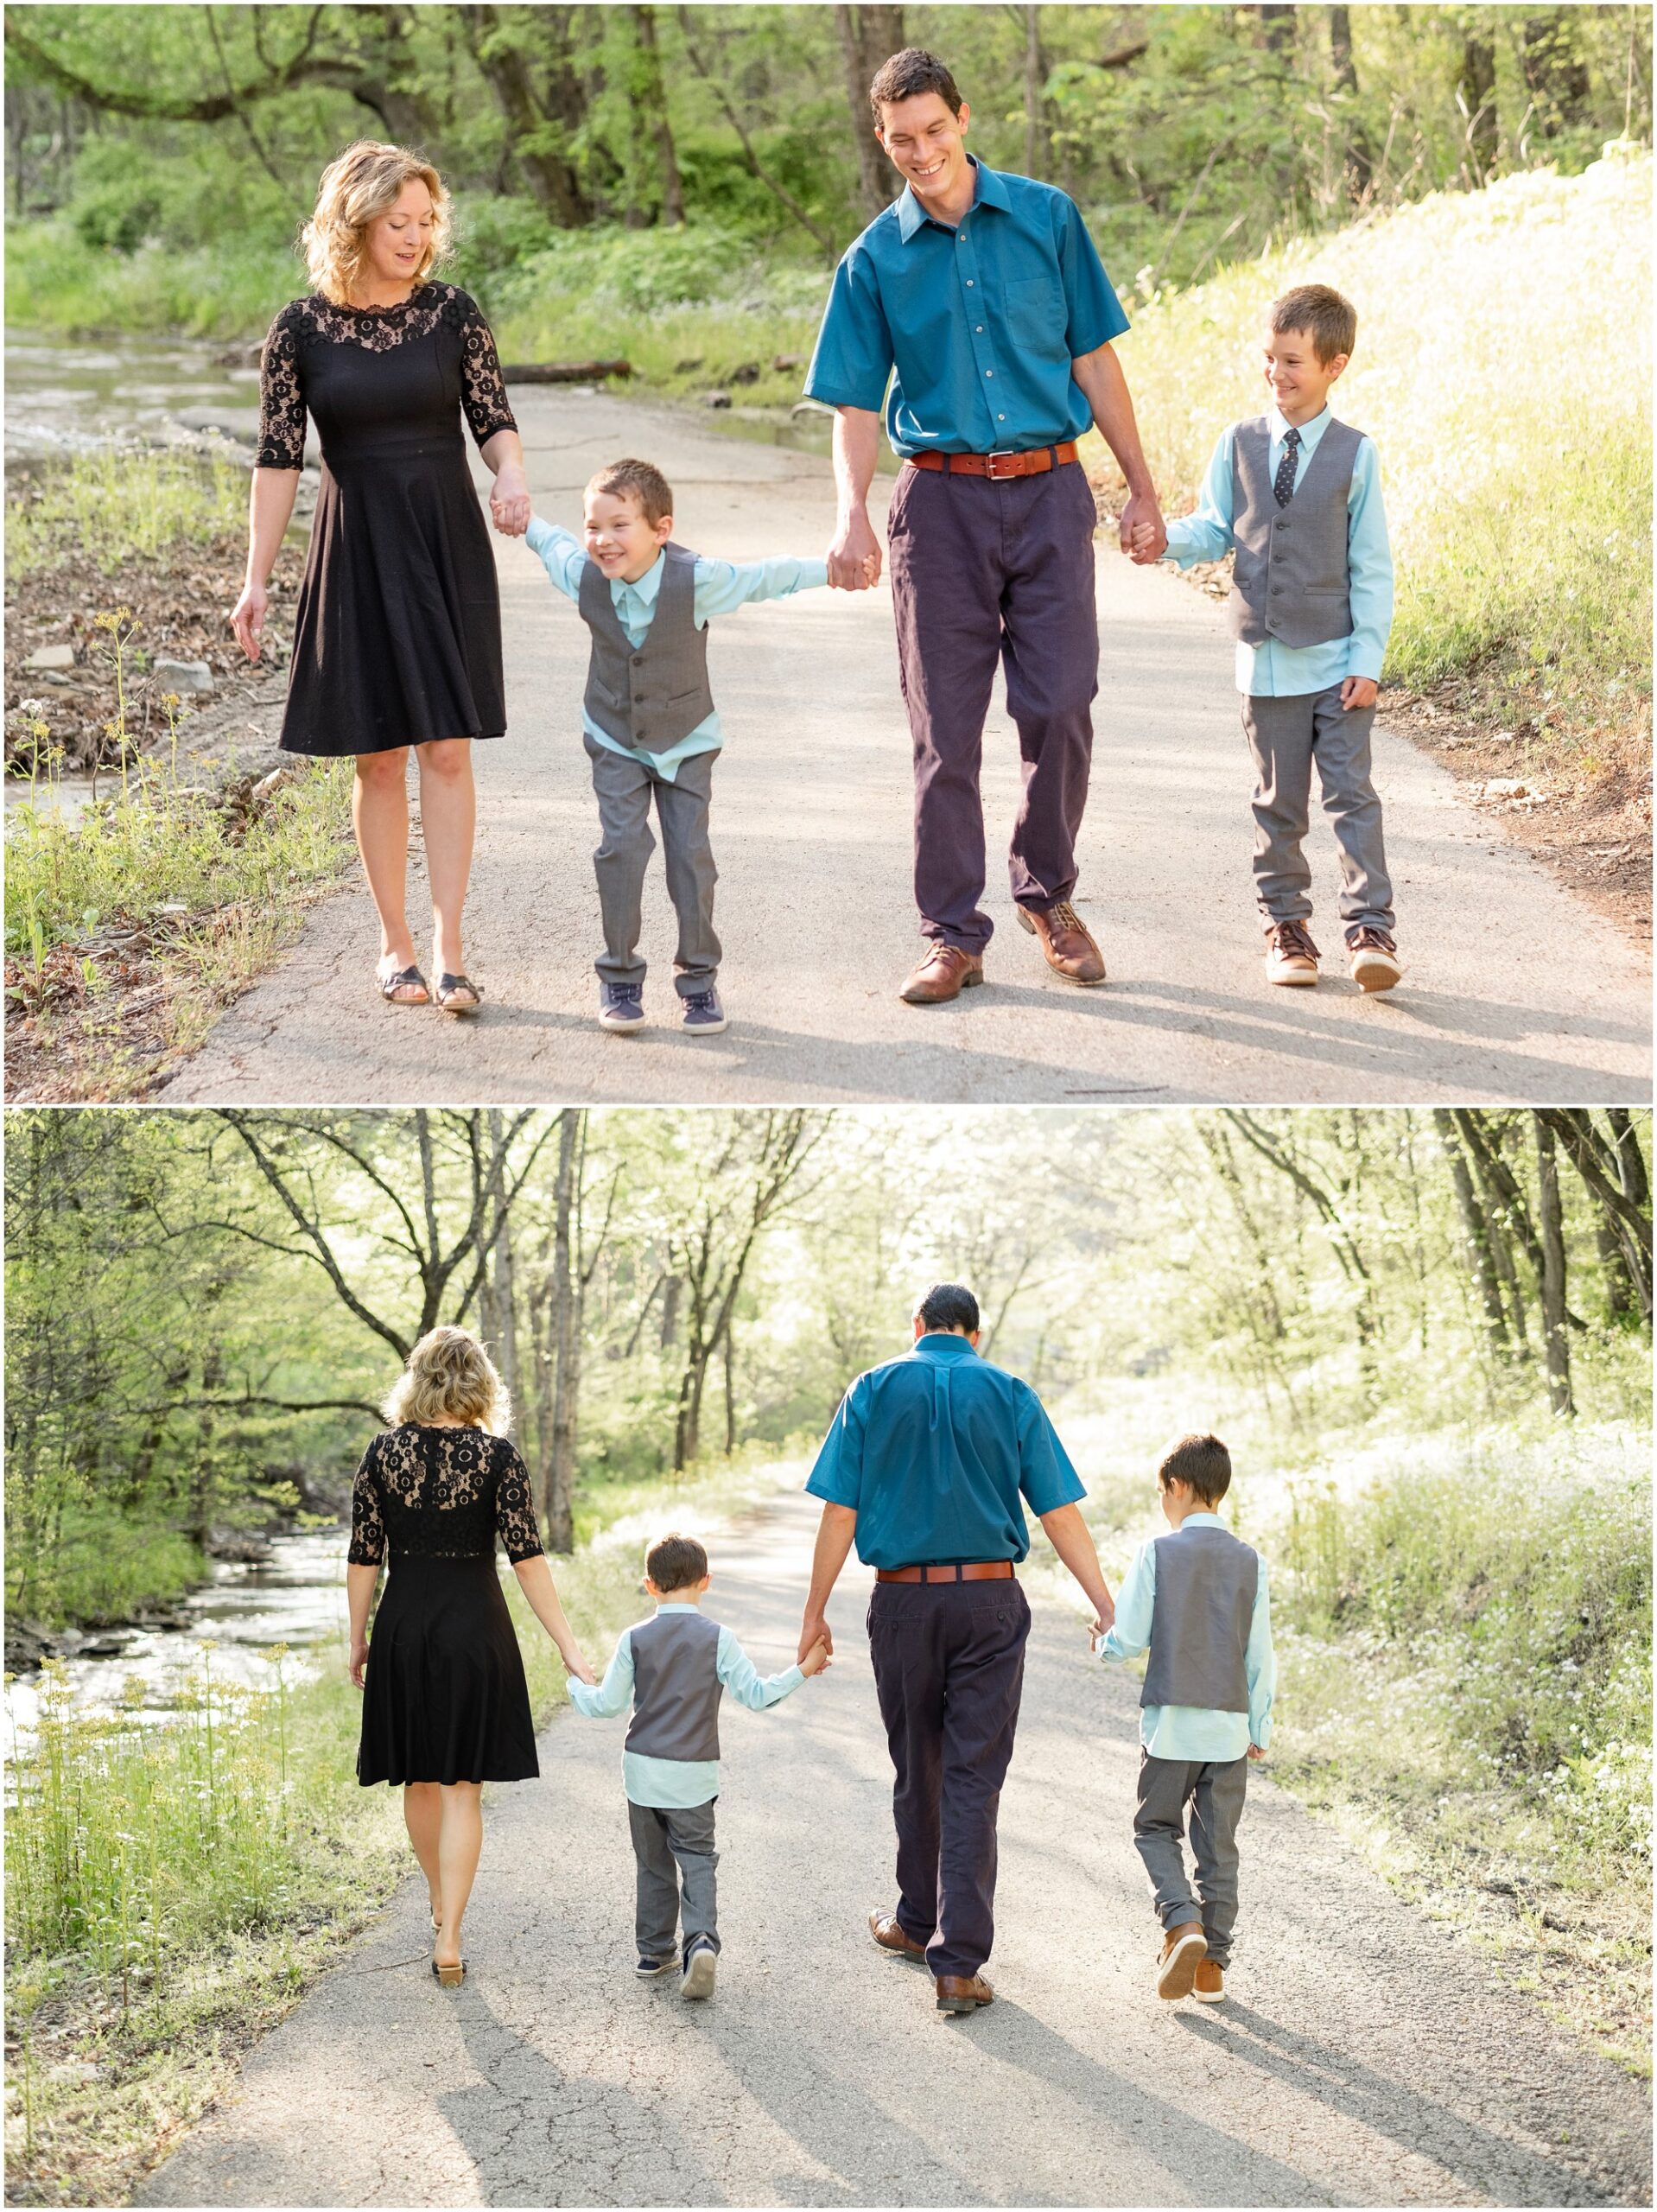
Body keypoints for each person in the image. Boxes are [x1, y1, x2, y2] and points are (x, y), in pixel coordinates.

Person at [803, 47, 1166, 1006]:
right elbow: (853, 404)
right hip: (941, 506)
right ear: (882, 142)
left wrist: (1141, 487)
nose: (920, 152)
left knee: (1059, 706)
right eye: (899, 141)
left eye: (932, 130)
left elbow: (1093, 358)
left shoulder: (1046, 218)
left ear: (962, 118)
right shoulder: (874, 257)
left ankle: (1047, 896)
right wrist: (849, 515)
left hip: (1050, 495)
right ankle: (951, 935)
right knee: (945, 731)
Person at [232, 141, 531, 1017]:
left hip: (444, 538)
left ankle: (450, 948)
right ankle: (394, 946)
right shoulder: (298, 329)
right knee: (377, 757)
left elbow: (494, 417)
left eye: (425, 221)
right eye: (397, 222)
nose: (414, 237)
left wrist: (509, 476)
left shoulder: (452, 313)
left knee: (445, 744)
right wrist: (255, 581)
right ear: (355, 224)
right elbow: (278, 459)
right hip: (355, 543)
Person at [797, 1282, 1114, 2014]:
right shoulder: (1010, 1392)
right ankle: (957, 1962)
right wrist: (1104, 1604)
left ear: (918, 1328)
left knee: (919, 1764)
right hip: (991, 1601)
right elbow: (1059, 1513)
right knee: (973, 1774)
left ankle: (916, 1923)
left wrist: (813, 1613)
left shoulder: (873, 1387)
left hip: (903, 1601)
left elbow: (839, 1510)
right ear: (975, 1332)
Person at [1133, 283, 1400, 994]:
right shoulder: (1239, 443)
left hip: (1339, 662)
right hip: (1266, 665)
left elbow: (1373, 568)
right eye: (1270, 359)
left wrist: (1369, 659)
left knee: (1351, 797)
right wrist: (1161, 541)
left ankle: (1370, 928)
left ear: (1333, 367)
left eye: (1293, 362)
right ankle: (1287, 927)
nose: (1277, 374)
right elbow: (1214, 527)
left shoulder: (1355, 456)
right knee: (1278, 804)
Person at [525, 459, 853, 1037]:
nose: (603, 540)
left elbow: (763, 577)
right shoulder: (581, 573)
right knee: (622, 847)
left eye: (620, 525)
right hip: (613, 735)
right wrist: (518, 513)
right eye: (594, 525)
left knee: (689, 861)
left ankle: (699, 982)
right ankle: (620, 977)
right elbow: (549, 541)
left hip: (687, 742)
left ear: (661, 528)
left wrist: (832, 569)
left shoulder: (697, 580)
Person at [346, 1326, 594, 1988]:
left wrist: (357, 1636)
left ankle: (436, 1897)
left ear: (417, 1380)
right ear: (481, 1383)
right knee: (463, 1790)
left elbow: (364, 1557)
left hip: (403, 1626)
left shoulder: (381, 1454)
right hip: (474, 1629)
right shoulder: (497, 1457)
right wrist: (566, 1644)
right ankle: (450, 1937)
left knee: (420, 1778)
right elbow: (528, 1558)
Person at [568, 1532, 829, 1999]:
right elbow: (758, 1695)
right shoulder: (718, 1639)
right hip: (693, 1775)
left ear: (649, 1585)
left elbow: (607, 1705)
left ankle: (653, 1952)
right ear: (706, 1582)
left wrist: (576, 1688)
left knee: (652, 1864)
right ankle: (701, 1940)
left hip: (642, 1773)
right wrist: (803, 1670)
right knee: (698, 1861)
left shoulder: (635, 1638)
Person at [1095, 1433, 1275, 2004]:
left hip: (1172, 1726)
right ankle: (1211, 1969)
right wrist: (1260, 1728)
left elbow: (1128, 1638)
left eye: (1160, 1492)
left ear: (1176, 1486)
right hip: (1227, 1731)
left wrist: (1104, 1644)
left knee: (1154, 1829)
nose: (1162, 1503)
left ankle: (1182, 1922)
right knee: (1218, 1847)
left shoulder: (1158, 1552)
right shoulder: (1251, 1560)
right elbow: (1261, 1655)